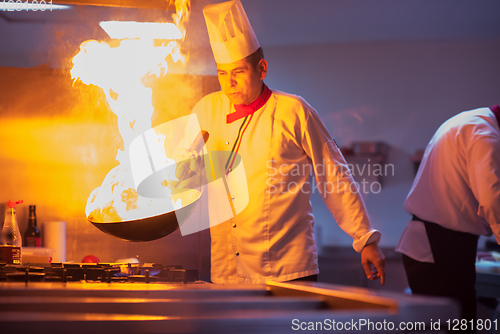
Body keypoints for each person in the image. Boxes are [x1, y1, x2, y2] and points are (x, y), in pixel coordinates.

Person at [190, 0, 385, 284]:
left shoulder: (294, 110)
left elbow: (334, 174)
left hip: (287, 270)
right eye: (222, 73)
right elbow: (184, 175)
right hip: (226, 272)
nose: (229, 84)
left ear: (262, 68)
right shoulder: (205, 110)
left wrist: (365, 239)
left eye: (238, 72)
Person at [396, 105, 500, 324]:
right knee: (456, 326)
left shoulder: (469, 121)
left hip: (437, 244)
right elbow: (493, 199)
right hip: (441, 247)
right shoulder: (484, 133)